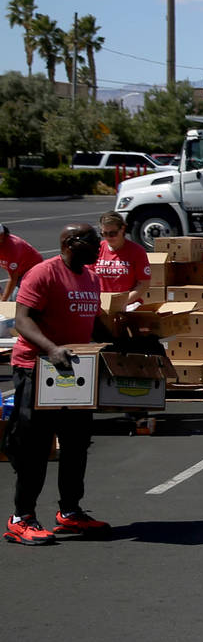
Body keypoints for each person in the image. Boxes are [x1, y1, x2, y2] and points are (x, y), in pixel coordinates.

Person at [4, 223, 108, 545]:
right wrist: (50, 348)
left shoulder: (91, 277)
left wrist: (131, 343)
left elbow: (94, 323)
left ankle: (70, 511)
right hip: (38, 368)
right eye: (93, 242)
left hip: (75, 371)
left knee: (77, 444)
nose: (99, 247)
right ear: (70, 243)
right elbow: (23, 320)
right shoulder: (42, 273)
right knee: (35, 447)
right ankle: (22, 517)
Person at [90, 211, 151, 304]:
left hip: (128, 303)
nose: (109, 237)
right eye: (105, 234)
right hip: (101, 303)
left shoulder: (137, 251)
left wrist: (121, 302)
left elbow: (143, 284)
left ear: (122, 229)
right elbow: (88, 279)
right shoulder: (97, 249)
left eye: (113, 233)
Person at [0, 223, 44, 301]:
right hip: (19, 271)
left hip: (33, 271)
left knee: (16, 297)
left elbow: (13, 278)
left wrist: (3, 301)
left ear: (1, 236)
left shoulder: (12, 248)